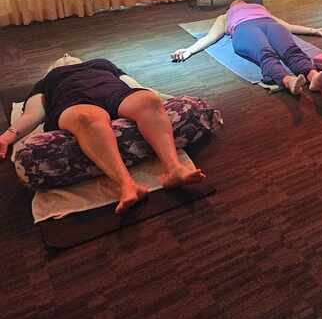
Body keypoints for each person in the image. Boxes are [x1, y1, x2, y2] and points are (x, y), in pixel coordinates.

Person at [0, 55, 205, 214]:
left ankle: (175, 169)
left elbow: (134, 85)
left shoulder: (102, 63)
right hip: (73, 101)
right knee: (89, 118)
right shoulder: (48, 79)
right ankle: (128, 185)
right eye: (62, 59)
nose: (66, 56)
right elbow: (34, 113)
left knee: (148, 101)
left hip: (115, 93)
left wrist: (161, 101)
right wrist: (7, 137)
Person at [171, 0, 322, 95]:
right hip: (244, 28)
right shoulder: (225, 16)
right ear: (230, 6)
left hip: (270, 24)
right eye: (236, 1)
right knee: (265, 53)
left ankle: (313, 76)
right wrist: (188, 50)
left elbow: (288, 26)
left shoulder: (259, 8)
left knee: (291, 50)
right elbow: (210, 37)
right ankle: (288, 81)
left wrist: (315, 31)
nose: (239, 0)